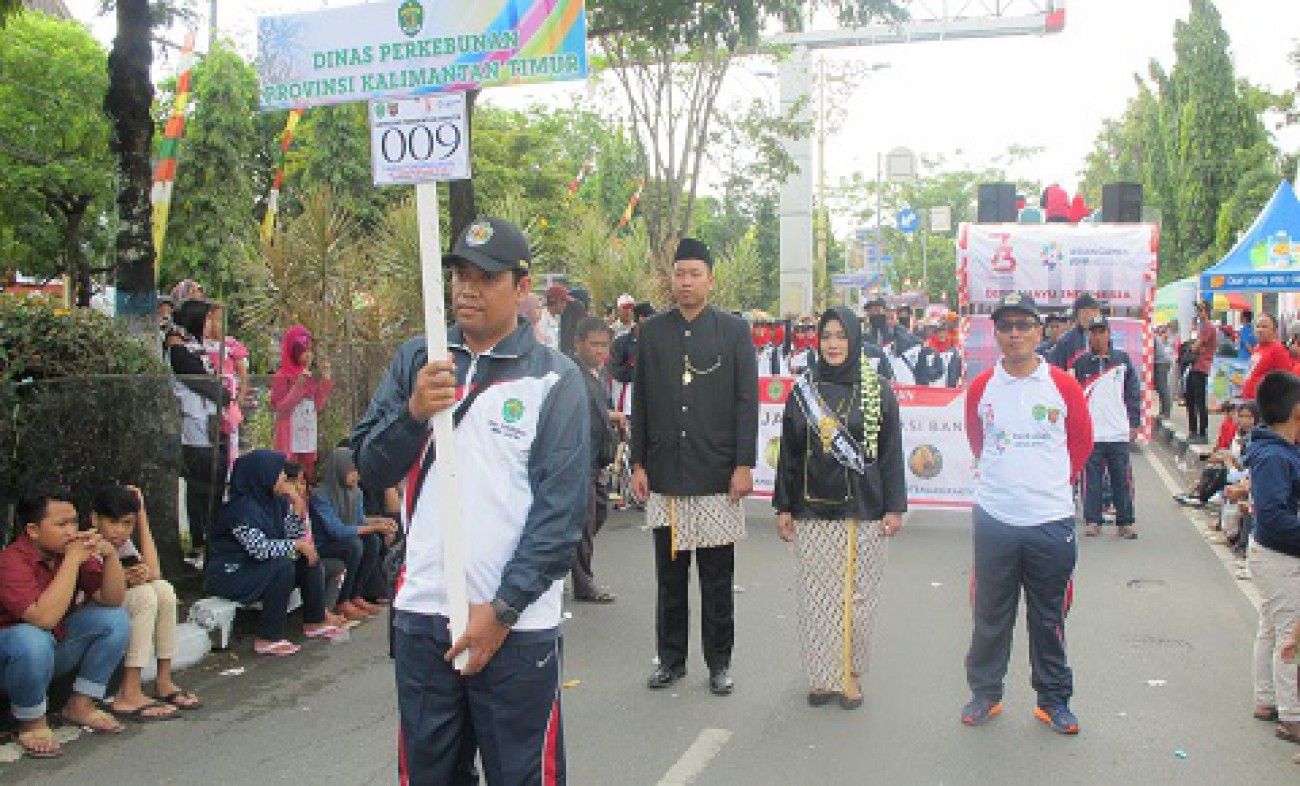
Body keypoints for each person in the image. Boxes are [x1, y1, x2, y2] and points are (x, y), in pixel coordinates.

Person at [352, 216, 589, 785]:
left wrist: (501, 611)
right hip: (423, 616)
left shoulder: (554, 380)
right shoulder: (419, 360)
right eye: (460, 275)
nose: (468, 289)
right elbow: (368, 466)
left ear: (522, 286)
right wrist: (413, 414)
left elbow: (560, 518)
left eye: (486, 278)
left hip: (517, 627)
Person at [632, 237, 759, 697]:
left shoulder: (733, 331)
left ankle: (719, 664)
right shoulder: (652, 332)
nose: (685, 282)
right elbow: (641, 400)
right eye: (679, 274)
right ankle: (670, 660)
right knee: (669, 579)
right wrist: (639, 462)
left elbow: (747, 401)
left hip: (716, 476)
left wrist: (743, 464)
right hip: (666, 474)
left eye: (694, 274)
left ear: (710, 280)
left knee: (717, 580)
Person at [961, 292, 1093, 735]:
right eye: (1006, 326)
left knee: (1049, 616)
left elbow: (1081, 443)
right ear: (996, 334)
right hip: (995, 518)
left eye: (1023, 325)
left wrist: (1049, 485)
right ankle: (985, 694)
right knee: (990, 614)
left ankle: (1053, 700)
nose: (1014, 334)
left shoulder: (1063, 386)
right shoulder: (982, 387)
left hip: (1050, 521)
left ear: (1040, 332)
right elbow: (977, 441)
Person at [773, 306, 907, 710]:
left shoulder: (877, 390)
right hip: (812, 509)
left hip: (864, 509)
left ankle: (851, 675)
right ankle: (822, 676)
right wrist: (783, 506)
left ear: (854, 340)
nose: (833, 344)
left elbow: (891, 453)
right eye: (826, 336)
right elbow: (789, 452)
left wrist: (894, 507)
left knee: (859, 599)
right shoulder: (803, 392)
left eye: (841, 336)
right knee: (817, 597)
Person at [0, 490, 131, 757]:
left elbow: (112, 599)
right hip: (14, 662)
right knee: (31, 638)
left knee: (115, 619)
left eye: (74, 522)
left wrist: (110, 557)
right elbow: (43, 618)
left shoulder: (66, 553)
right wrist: (72, 560)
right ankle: (32, 722)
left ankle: (80, 704)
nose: (71, 532)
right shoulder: (10, 561)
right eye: (62, 524)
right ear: (33, 530)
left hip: (50, 651)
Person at [205, 450, 343, 657]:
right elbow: (259, 549)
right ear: (263, 475)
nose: (284, 477)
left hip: (256, 567)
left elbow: (291, 536)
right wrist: (297, 545)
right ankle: (268, 637)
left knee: (308, 559)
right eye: (279, 472)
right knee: (283, 566)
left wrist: (297, 506)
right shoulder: (240, 509)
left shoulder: (276, 502)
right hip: (232, 573)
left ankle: (315, 621)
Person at [92, 485, 200, 722]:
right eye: (113, 522)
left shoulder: (122, 544)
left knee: (164, 590)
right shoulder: (91, 544)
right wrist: (124, 579)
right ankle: (128, 692)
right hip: (92, 611)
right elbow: (96, 593)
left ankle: (163, 680)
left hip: (112, 605)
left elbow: (155, 572)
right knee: (145, 596)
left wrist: (141, 515)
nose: (120, 530)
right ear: (95, 519)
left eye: (127, 523)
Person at [1244, 370, 1300, 743]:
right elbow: (1274, 516)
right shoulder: (1275, 457)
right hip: (1279, 557)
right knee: (1289, 634)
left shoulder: (1279, 451)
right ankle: (1292, 716)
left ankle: (1267, 699)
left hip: (1270, 554)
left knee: (1271, 626)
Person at [168, 298, 230, 562]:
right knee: (199, 489)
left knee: (216, 487)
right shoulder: (180, 352)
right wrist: (221, 391)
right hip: (195, 432)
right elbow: (207, 385)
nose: (210, 325)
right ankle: (198, 540)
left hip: (214, 427)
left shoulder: (198, 349)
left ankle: (213, 538)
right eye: (206, 320)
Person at [1072, 316, 1141, 539]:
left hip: (1117, 431)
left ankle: (1125, 522)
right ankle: (1093, 521)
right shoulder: (1081, 364)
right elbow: (1074, 397)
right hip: (1092, 433)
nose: (1097, 337)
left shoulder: (1121, 360)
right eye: (1093, 332)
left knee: (1121, 479)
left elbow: (1132, 392)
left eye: (1101, 332)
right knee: (1091, 480)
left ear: (1109, 334)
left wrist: (1134, 422)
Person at [311, 447, 397, 622]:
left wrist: (381, 522)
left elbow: (359, 521)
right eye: (352, 471)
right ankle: (343, 600)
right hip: (324, 544)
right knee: (354, 545)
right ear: (341, 469)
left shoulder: (356, 493)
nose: (356, 476)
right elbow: (336, 530)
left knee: (372, 541)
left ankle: (355, 594)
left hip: (345, 541)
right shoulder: (320, 495)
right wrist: (375, 527)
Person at [571, 317, 621, 603]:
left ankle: (570, 563)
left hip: (596, 461)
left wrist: (613, 417)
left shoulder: (598, 374)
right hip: (578, 460)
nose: (600, 350)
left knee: (597, 514)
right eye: (594, 344)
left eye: (604, 345)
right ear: (578, 344)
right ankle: (583, 582)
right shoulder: (571, 375)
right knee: (585, 521)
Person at [271, 325, 334, 481]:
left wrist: (325, 380)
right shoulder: (282, 376)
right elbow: (280, 408)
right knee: (291, 473)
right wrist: (298, 386)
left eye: (309, 350)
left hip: (307, 432)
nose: (308, 355)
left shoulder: (308, 375)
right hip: (290, 435)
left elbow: (317, 405)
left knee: (307, 473)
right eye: (303, 351)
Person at [609, 302, 655, 418]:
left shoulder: (655, 343)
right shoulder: (621, 343)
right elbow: (615, 372)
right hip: (626, 405)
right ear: (642, 319)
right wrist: (635, 367)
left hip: (649, 403)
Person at [1187, 300, 1218, 444]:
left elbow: (1195, 346)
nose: (1199, 313)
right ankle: (1193, 431)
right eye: (1198, 310)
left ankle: (1202, 432)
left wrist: (1194, 346)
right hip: (1195, 366)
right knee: (1191, 399)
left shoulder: (1208, 327)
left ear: (1207, 312)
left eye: (1201, 310)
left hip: (1201, 366)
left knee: (1199, 401)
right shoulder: (1201, 327)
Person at [1243, 315, 1292, 401]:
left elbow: (1286, 380)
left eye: (1264, 327)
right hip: (1249, 399)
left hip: (1264, 402)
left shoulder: (1278, 350)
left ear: (1274, 331)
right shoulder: (1258, 348)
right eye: (1258, 326)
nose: (1260, 330)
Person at [1047, 293, 1101, 370]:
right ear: (1082, 312)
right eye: (1094, 309)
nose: (1098, 313)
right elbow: (1054, 370)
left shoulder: (1102, 338)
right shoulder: (1065, 342)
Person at [539, 283, 571, 351]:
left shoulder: (554, 319)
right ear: (553, 300)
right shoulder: (541, 319)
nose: (565, 305)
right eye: (562, 301)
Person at [1154, 324, 1175, 419]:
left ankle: (1166, 412)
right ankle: (1164, 411)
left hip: (1161, 363)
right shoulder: (1155, 337)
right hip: (1162, 362)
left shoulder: (1151, 337)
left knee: (1162, 387)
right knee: (1161, 387)